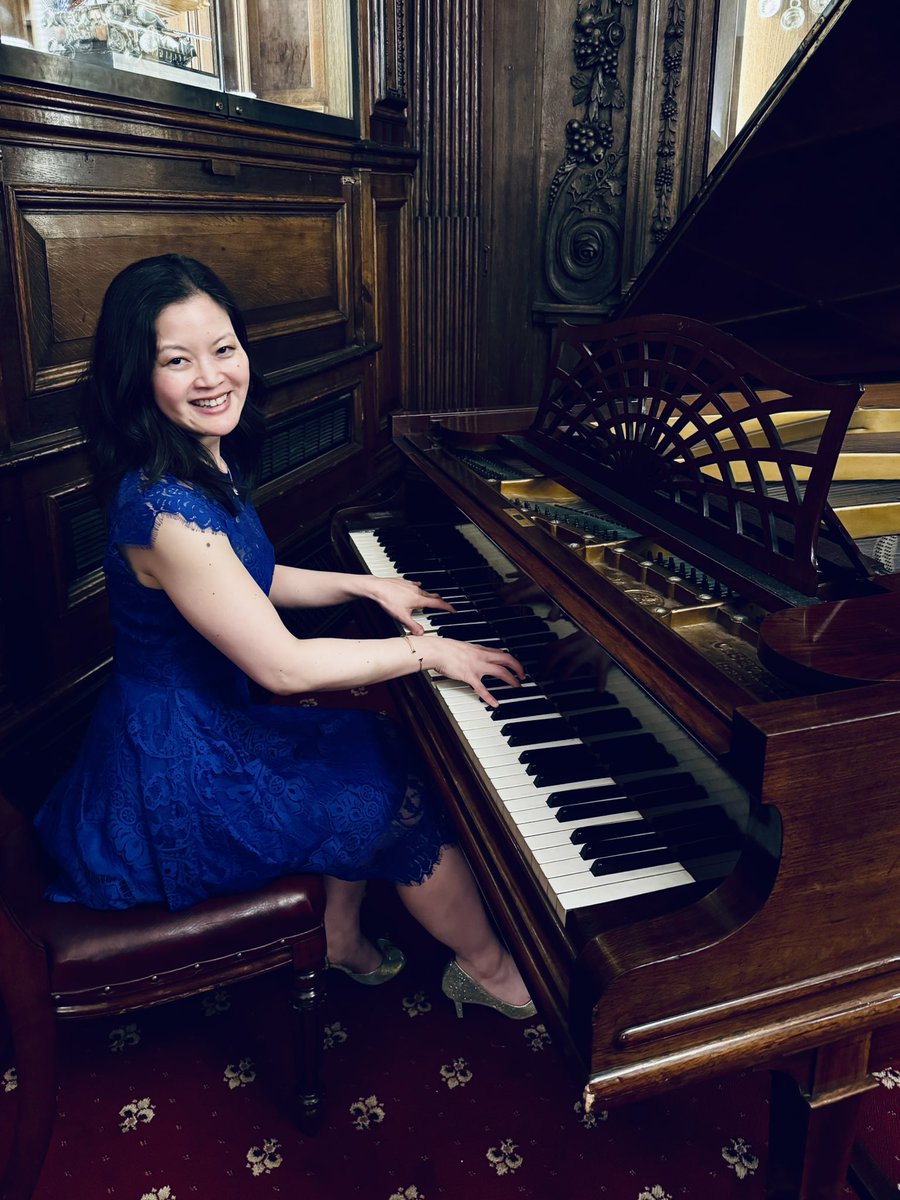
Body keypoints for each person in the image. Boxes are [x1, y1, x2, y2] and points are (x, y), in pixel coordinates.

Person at [34, 253, 534, 1019]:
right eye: (177, 360)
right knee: (390, 787)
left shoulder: (199, 463)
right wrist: (430, 650)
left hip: (205, 716)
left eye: (223, 349)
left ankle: (339, 938)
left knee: (375, 749)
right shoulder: (165, 511)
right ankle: (491, 969)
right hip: (177, 762)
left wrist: (362, 584)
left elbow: (245, 583)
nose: (210, 377)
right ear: (138, 377)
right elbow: (282, 666)